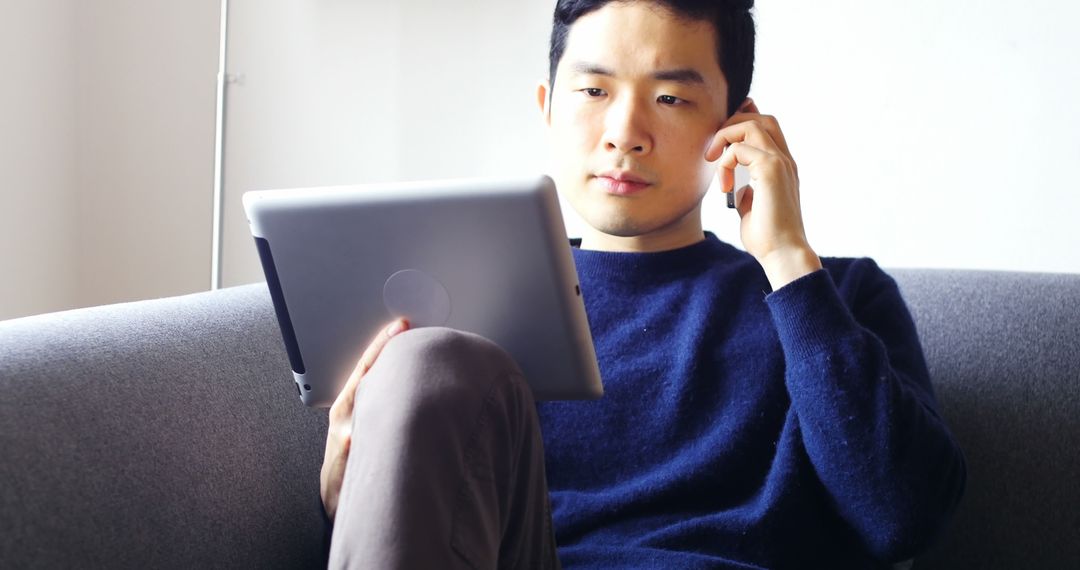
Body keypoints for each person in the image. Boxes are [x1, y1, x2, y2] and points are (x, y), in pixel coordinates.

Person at [319, 0, 966, 568]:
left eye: (671, 98)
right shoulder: (474, 306)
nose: (624, 134)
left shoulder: (835, 299)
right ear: (547, 110)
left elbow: (901, 518)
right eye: (594, 92)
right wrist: (348, 491)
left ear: (736, 128)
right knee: (423, 358)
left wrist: (789, 258)